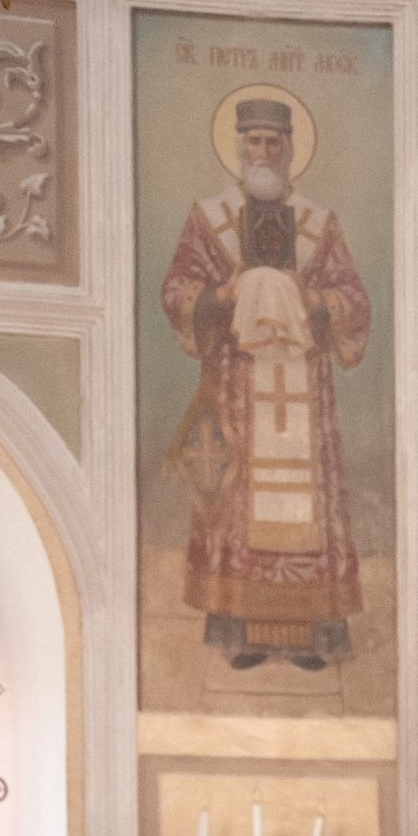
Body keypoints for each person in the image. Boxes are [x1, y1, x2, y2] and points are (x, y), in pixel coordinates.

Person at [160, 92, 371, 672]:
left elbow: (354, 301)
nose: (262, 150)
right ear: (237, 147)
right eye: (252, 140)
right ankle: (239, 630)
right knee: (236, 499)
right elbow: (176, 291)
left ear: (290, 149)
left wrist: (310, 299)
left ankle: (312, 634)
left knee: (309, 506)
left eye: (273, 142)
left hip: (304, 382)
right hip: (235, 386)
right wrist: (222, 295)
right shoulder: (210, 219)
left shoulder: (319, 223)